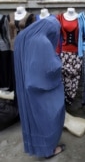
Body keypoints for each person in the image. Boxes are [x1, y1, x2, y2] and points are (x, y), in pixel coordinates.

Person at [13, 16, 65, 158]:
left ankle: (38, 146)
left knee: (34, 119)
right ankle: (49, 149)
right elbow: (51, 68)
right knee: (48, 117)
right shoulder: (42, 42)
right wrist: (59, 62)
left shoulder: (25, 36)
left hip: (26, 86)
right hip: (40, 88)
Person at [56, 7, 81, 105]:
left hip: (77, 53)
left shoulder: (80, 17)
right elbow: (57, 36)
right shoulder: (60, 17)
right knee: (64, 77)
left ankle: (70, 99)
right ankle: (63, 103)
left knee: (75, 76)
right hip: (64, 52)